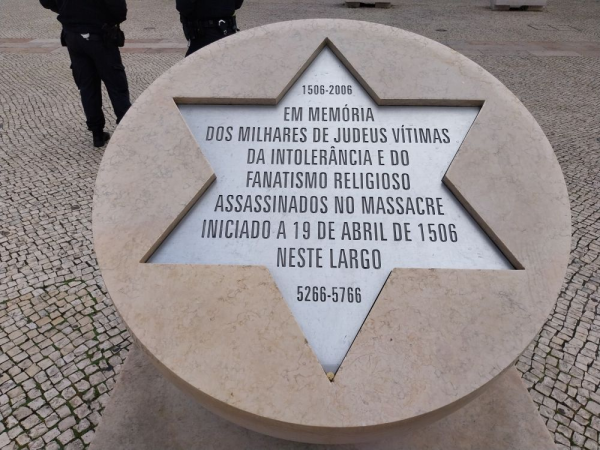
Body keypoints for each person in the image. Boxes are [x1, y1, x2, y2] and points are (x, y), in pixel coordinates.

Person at [40, 0, 132, 148]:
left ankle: (97, 133)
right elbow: (119, 9)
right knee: (116, 83)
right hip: (100, 32)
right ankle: (126, 128)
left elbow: (46, 1)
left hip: (73, 34)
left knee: (87, 85)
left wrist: (67, 11)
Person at [176, 0, 244, 57]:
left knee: (189, 70)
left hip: (203, 36)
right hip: (228, 31)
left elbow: (183, 6)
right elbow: (237, 4)